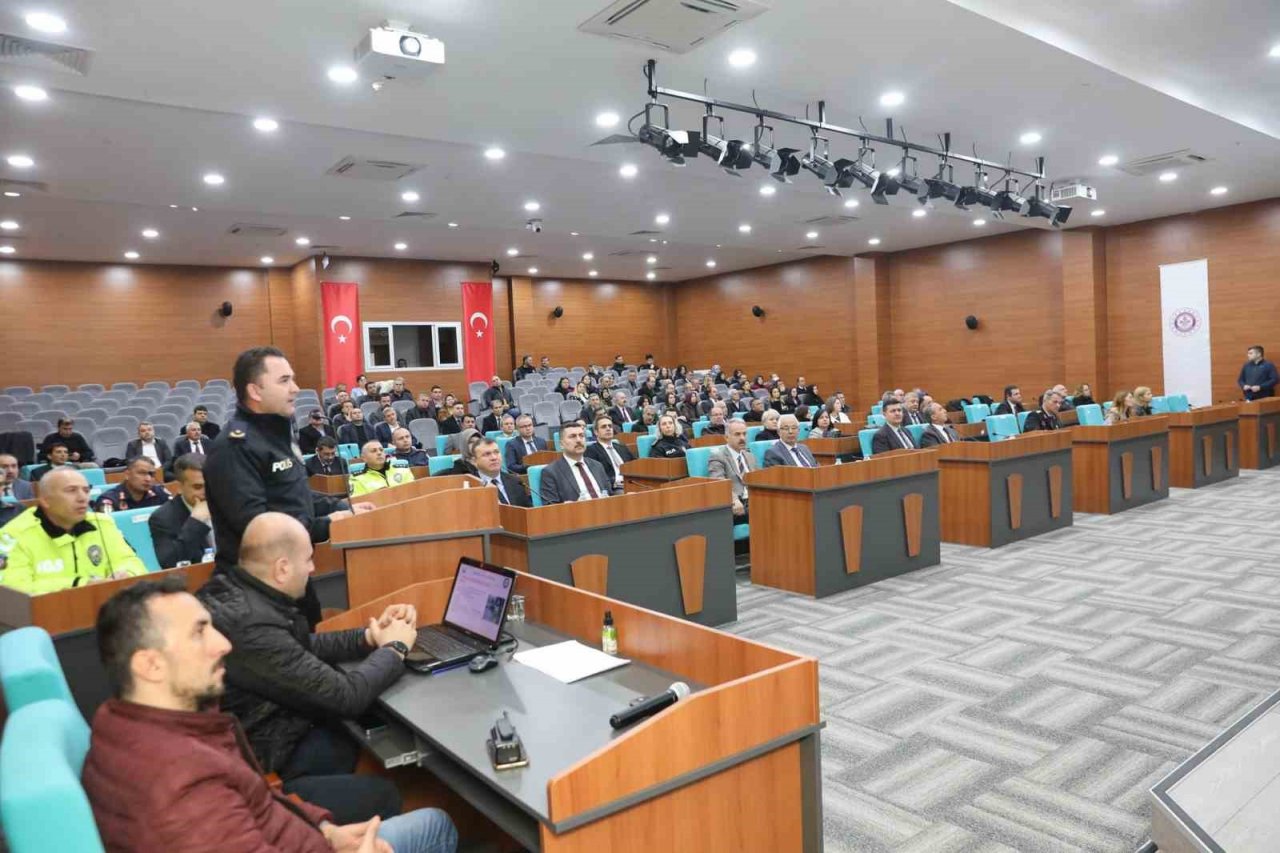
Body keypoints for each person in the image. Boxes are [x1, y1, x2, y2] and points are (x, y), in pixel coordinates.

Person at [84, 576, 457, 852]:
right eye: (199, 633)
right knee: (436, 826)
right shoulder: (182, 785)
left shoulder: (135, 726)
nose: (223, 644)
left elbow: (259, 802)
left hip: (306, 840)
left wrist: (325, 830)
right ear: (150, 666)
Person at [194, 513, 429, 825]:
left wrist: (368, 638)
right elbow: (346, 696)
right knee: (385, 792)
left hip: (266, 740)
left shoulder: (234, 591)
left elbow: (298, 647)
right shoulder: (251, 625)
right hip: (261, 768)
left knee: (350, 735)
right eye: (307, 559)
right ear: (282, 568)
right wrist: (395, 649)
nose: (313, 568)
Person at [205, 347, 368, 628]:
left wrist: (340, 506)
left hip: (294, 577)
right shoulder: (235, 446)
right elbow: (256, 528)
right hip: (258, 591)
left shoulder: (278, 435)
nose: (295, 388)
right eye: (284, 381)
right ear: (255, 391)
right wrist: (327, 524)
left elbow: (293, 494)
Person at [0, 468, 147, 592]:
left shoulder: (103, 523)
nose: (82, 498)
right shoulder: (11, 535)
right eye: (71, 491)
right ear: (45, 500)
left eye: (86, 490)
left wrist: (126, 573)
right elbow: (12, 590)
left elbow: (130, 561)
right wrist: (78, 585)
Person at [150, 453, 214, 568]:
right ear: (179, 487)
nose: (207, 492)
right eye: (198, 487)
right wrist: (196, 521)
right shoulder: (162, 518)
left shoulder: (227, 506)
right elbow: (170, 564)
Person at [539, 422, 614, 504]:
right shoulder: (551, 472)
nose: (578, 440)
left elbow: (610, 495)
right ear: (561, 444)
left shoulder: (597, 465)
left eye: (581, 436)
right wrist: (568, 507)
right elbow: (550, 506)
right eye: (572, 436)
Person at [707, 419, 754, 523]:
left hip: (754, 500)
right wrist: (734, 499)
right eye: (737, 434)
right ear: (727, 437)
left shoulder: (750, 456)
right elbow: (719, 483)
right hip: (737, 504)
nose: (742, 438)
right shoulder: (718, 456)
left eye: (744, 434)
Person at [93, 456, 170, 512]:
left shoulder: (160, 493)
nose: (148, 479)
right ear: (127, 475)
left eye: (151, 474)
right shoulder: (109, 500)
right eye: (142, 473)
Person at [471, 437, 530, 507]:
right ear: (474, 461)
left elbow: (526, 510)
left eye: (496, 452)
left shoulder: (515, 481)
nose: (494, 458)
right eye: (487, 454)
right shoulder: (470, 486)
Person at [585, 415, 636, 492]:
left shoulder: (622, 447)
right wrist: (617, 483)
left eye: (610, 426)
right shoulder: (591, 450)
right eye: (604, 427)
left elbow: (635, 464)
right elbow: (597, 476)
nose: (608, 429)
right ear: (596, 432)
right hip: (614, 488)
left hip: (633, 483)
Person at [350, 441, 415, 497]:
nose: (379, 453)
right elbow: (358, 502)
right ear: (364, 458)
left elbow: (413, 491)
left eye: (381, 450)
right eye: (373, 451)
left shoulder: (402, 469)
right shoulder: (357, 479)